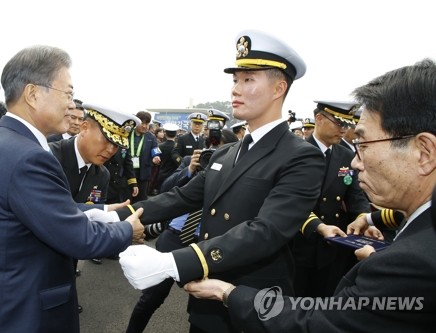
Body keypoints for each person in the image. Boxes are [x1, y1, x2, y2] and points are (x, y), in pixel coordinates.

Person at [184, 58, 436, 333]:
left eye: (363, 143)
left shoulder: (413, 260)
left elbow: (323, 321)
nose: (355, 162)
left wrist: (229, 293)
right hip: (304, 248)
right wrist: (371, 222)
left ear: (424, 153)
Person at [118, 29, 326, 333]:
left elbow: (266, 231)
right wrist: (116, 217)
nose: (235, 90)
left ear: (278, 88)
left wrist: (174, 263)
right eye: (235, 80)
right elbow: (180, 197)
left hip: (253, 304)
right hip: (206, 299)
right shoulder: (225, 154)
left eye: (248, 80)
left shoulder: (300, 156)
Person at [0, 45, 145, 333]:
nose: (72, 106)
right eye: (68, 94)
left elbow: (47, 211)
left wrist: (105, 212)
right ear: (33, 94)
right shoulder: (28, 156)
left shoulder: (4, 141)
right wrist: (126, 230)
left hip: (0, 303)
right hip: (20, 314)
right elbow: (78, 238)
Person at [126, 128, 239, 333]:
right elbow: (166, 188)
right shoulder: (191, 162)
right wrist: (190, 171)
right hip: (173, 239)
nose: (214, 155)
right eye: (211, 149)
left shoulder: (237, 173)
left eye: (220, 150)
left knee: (204, 307)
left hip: (205, 245)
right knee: (151, 298)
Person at [49, 102, 141, 310]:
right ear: (84, 128)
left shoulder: (102, 174)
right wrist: (107, 213)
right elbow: (58, 212)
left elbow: (89, 218)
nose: (110, 150)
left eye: (116, 144)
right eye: (107, 140)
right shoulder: (49, 157)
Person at [291, 100, 370, 297]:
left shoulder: (345, 155)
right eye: (339, 123)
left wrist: (365, 219)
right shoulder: (295, 152)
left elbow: (355, 194)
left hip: (334, 245)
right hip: (299, 242)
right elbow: (292, 201)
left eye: (347, 124)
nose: (344, 130)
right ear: (319, 118)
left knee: (326, 298)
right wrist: (318, 226)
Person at [129, 110, 161, 203]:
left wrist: (156, 157)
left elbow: (155, 150)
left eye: (147, 124)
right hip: (127, 173)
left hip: (143, 174)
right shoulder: (127, 134)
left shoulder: (151, 137)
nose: (144, 126)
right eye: (142, 123)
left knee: (141, 201)